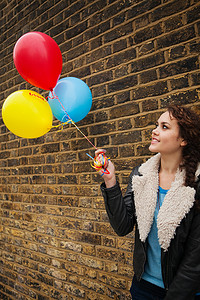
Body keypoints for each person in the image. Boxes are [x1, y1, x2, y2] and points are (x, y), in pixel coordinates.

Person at [95, 105, 200, 299]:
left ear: (183, 139)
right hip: (143, 287)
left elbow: (195, 260)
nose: (155, 130)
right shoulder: (141, 175)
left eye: (164, 127)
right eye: (156, 125)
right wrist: (110, 181)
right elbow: (122, 226)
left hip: (184, 293)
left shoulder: (197, 183)